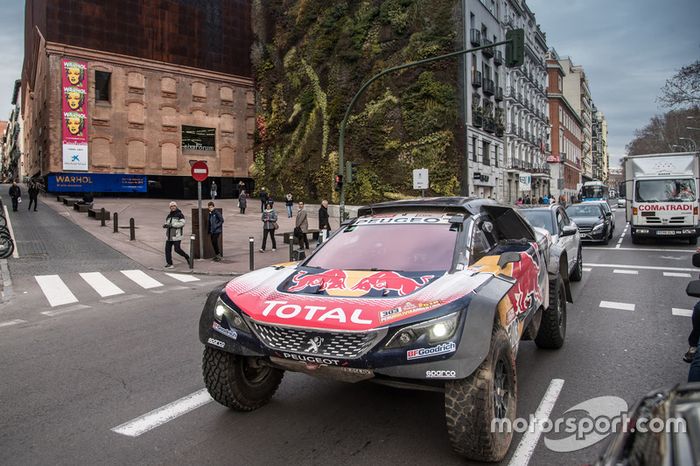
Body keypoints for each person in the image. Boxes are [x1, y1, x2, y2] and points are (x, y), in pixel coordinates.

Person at [163, 201, 191, 269]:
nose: (173, 207)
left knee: (177, 249)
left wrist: (172, 225)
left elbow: (182, 223)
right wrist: (165, 225)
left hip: (176, 235)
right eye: (171, 206)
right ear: (170, 207)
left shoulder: (180, 214)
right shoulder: (169, 215)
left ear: (176, 206)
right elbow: (167, 222)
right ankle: (169, 263)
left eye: (174, 206)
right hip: (169, 236)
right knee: (167, 250)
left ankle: (187, 257)